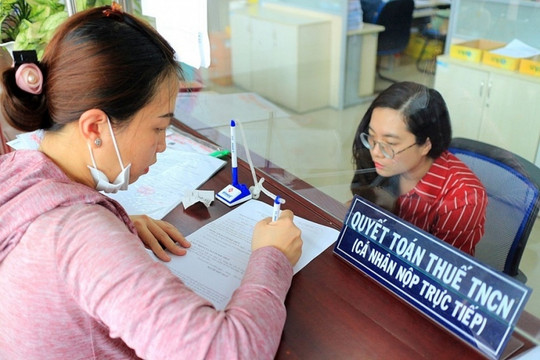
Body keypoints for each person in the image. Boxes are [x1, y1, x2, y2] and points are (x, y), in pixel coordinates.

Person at [0, 4, 302, 359]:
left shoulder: (18, 172)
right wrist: (273, 256)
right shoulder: (78, 236)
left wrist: (115, 222)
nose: (162, 146)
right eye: (158, 128)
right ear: (95, 128)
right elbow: (227, 352)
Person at [350, 81, 487, 256]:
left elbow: (444, 270)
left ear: (425, 145)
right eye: (371, 136)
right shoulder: (387, 165)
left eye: (390, 143)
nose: (376, 152)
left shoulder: (463, 199)